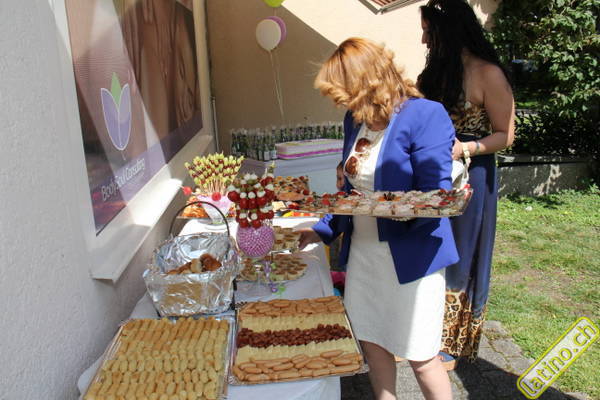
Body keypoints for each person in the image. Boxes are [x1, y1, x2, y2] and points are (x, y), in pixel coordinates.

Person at [299, 37, 458, 400]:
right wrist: (323, 229)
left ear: (365, 83)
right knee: (373, 345)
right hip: (365, 255)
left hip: (411, 256)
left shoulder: (425, 115)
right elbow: (349, 188)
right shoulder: (354, 120)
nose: (339, 102)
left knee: (421, 356)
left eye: (342, 92)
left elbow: (435, 195)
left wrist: (388, 208)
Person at [418, 0, 516, 369]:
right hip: (432, 174)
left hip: (472, 175)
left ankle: (451, 342)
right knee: (430, 249)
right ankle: (422, 330)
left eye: (428, 31)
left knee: (461, 254)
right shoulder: (436, 73)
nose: (424, 40)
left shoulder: (488, 73)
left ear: (448, 30)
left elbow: (506, 134)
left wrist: (466, 148)